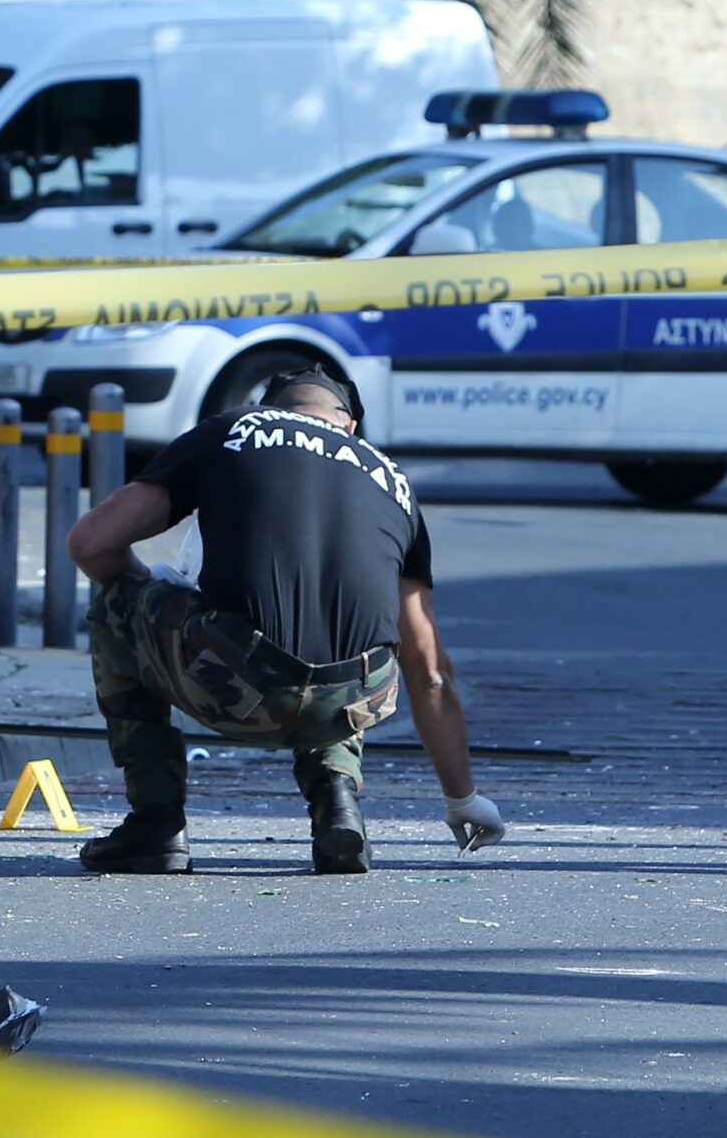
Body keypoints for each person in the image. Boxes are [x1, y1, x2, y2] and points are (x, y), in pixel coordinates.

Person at [64, 365, 504, 875]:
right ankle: (337, 801)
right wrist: (462, 800)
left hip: (236, 686)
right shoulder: (395, 482)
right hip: (348, 703)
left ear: (267, 409)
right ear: (350, 426)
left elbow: (91, 543)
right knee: (345, 631)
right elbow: (430, 671)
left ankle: (155, 823)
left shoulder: (234, 430)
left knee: (118, 603)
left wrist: (152, 599)